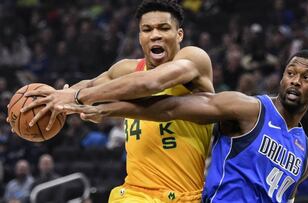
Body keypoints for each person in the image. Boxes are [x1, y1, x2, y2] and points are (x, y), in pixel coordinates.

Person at [63, 49, 308, 202]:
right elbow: (171, 108)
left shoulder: (307, 153)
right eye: (291, 73)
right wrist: (106, 108)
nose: (295, 81)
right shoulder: (249, 109)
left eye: (306, 77)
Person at [15, 0, 214, 202]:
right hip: (133, 193)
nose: (155, 35)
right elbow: (90, 84)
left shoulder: (194, 59)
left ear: (179, 34)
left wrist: (78, 96)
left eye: (164, 28)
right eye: (147, 29)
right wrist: (49, 102)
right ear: (140, 36)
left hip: (183, 194)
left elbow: (152, 82)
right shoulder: (126, 69)